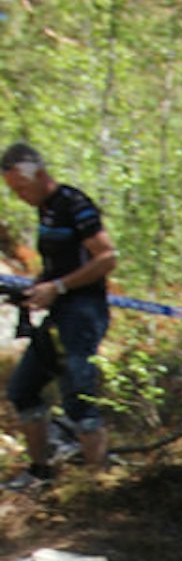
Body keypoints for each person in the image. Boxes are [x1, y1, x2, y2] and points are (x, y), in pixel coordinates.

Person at [1, 141, 117, 489]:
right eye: (12, 191)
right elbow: (61, 264)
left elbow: (107, 257)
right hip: (58, 313)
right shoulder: (47, 210)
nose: (20, 196)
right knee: (23, 388)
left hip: (83, 314)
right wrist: (36, 289)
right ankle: (41, 473)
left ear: (37, 174)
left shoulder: (74, 204)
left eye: (21, 187)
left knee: (79, 398)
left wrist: (59, 288)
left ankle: (98, 489)